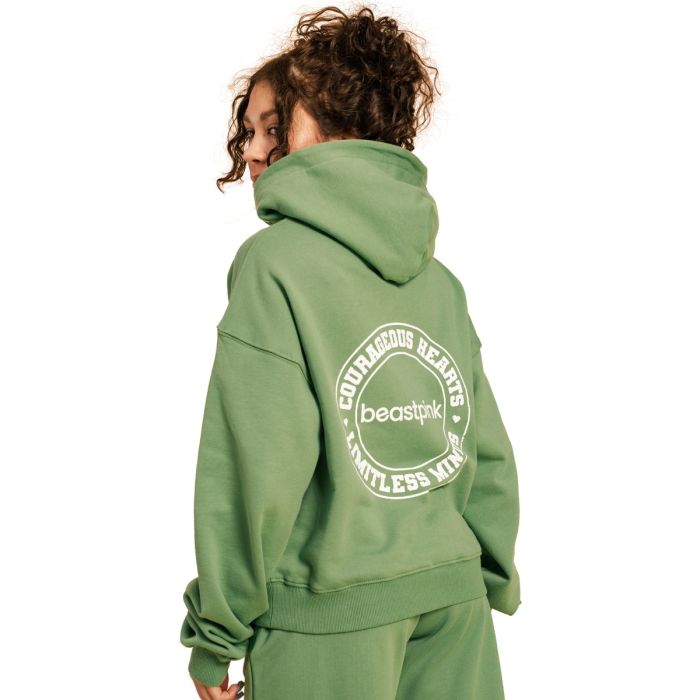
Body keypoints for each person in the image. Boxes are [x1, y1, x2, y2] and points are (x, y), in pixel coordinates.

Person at [180, 6, 521, 699]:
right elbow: (481, 445)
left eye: (273, 127)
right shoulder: (438, 280)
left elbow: (255, 461)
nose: (253, 152)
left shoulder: (275, 264)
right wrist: (480, 571)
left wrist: (217, 634)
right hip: (454, 606)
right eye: (249, 133)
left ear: (334, 123)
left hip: (331, 617)